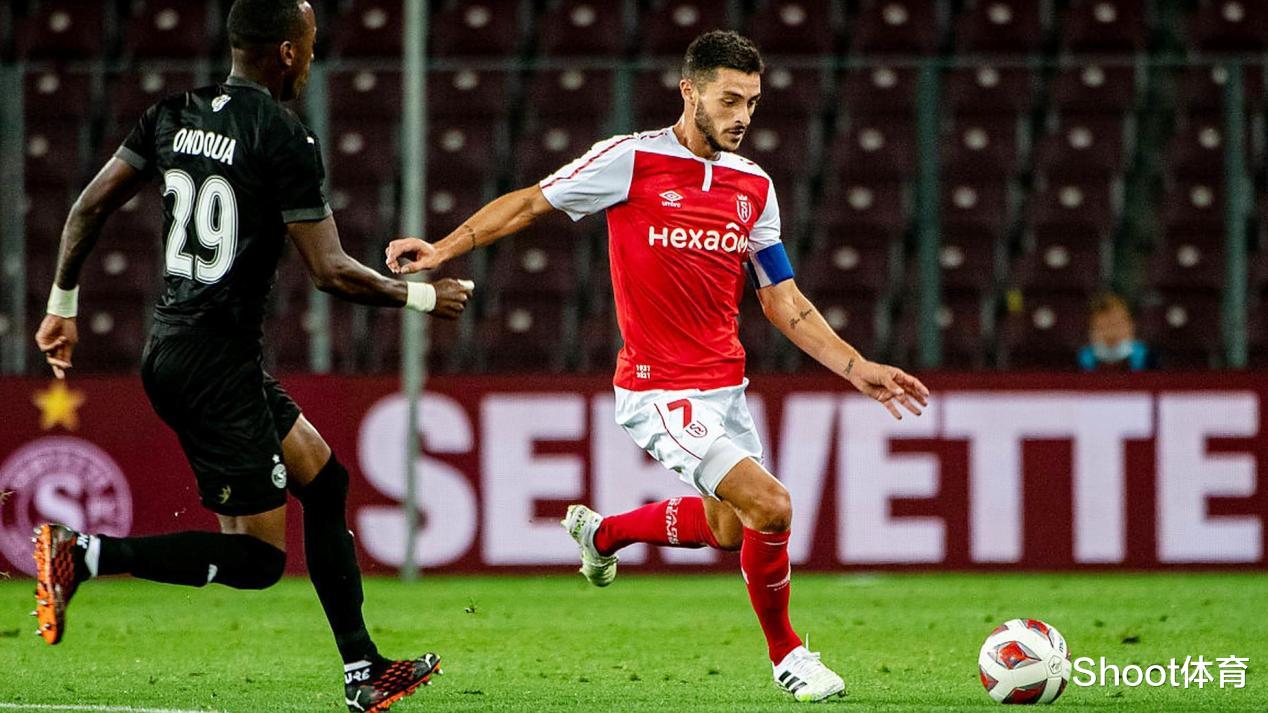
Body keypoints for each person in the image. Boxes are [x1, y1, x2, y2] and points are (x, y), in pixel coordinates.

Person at [386, 30, 930, 702]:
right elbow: (529, 201)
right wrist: (444, 248)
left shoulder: (754, 187)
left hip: (725, 387)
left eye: (752, 102)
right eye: (729, 99)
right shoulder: (631, 159)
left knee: (730, 527)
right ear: (689, 92)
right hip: (658, 389)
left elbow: (782, 299)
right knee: (771, 505)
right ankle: (789, 655)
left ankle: (603, 533)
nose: (742, 115)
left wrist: (856, 366)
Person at [30, 2, 473, 710]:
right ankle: (85, 553)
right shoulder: (282, 134)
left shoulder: (171, 114)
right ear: (289, 53)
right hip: (214, 365)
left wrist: (62, 304)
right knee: (260, 560)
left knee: (324, 480)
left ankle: (364, 668)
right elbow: (330, 271)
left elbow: (88, 206)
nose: (314, 58)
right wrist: (423, 298)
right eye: (312, 45)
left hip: (182, 348)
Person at [1077, 293, 1158, 371]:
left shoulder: (1147, 357)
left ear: (1131, 326)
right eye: (1103, 328)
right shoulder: (1082, 361)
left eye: (1117, 325)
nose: (1111, 334)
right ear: (1091, 331)